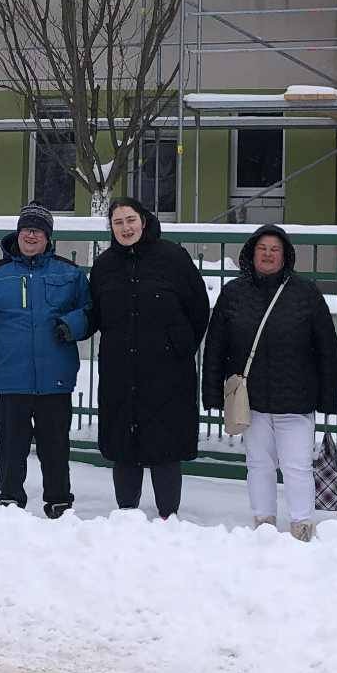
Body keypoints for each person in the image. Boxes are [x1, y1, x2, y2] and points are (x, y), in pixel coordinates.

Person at [201, 223, 337, 540]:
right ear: (251, 254)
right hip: (252, 402)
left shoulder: (305, 293)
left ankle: (301, 527)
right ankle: (263, 527)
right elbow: (216, 346)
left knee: (297, 466)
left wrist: (328, 397)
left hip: (296, 399)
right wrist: (212, 393)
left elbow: (327, 348)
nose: (268, 255)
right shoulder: (233, 294)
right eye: (262, 249)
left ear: (285, 255)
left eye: (274, 249)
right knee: (258, 465)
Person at [88, 196, 211, 520]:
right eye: (118, 222)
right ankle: (126, 514)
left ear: (143, 221)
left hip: (168, 371)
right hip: (120, 370)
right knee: (124, 443)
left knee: (165, 444)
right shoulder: (104, 265)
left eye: (130, 220)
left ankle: (168, 515)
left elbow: (198, 309)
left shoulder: (173, 258)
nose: (125, 228)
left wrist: (179, 345)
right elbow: (95, 313)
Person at [0, 203, 92, 516]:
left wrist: (72, 325)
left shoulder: (69, 273)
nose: (31, 235)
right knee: (11, 446)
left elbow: (91, 312)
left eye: (37, 230)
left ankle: (59, 499)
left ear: (48, 237)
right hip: (11, 378)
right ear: (18, 233)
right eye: (26, 229)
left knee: (55, 446)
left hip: (55, 378)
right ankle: (10, 497)